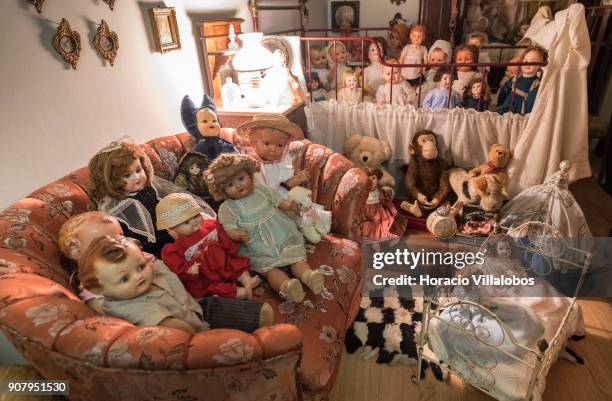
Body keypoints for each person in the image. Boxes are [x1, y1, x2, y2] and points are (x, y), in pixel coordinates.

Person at [58, 211, 274, 332]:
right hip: (175, 324)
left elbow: (171, 271)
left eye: (119, 237)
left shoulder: (141, 259)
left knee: (262, 314)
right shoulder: (95, 288)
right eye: (101, 243)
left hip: (196, 305)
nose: (116, 245)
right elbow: (108, 315)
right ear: (77, 251)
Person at [204, 153, 325, 303]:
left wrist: (291, 206)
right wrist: (238, 235)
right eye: (230, 185)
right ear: (222, 191)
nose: (239, 185)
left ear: (249, 175)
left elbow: (280, 202)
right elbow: (229, 229)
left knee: (296, 257)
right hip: (256, 245)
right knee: (270, 270)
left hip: (282, 233)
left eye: (241, 178)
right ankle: (287, 287)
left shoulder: (262, 190)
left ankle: (309, 276)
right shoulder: (227, 208)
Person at [497, 45, 547, 115]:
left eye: (533, 61)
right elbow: (504, 92)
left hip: (519, 111)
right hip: (506, 108)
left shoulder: (536, 83)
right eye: (525, 61)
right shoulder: (515, 78)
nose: (528, 64)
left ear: (540, 66)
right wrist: (500, 104)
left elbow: (531, 102)